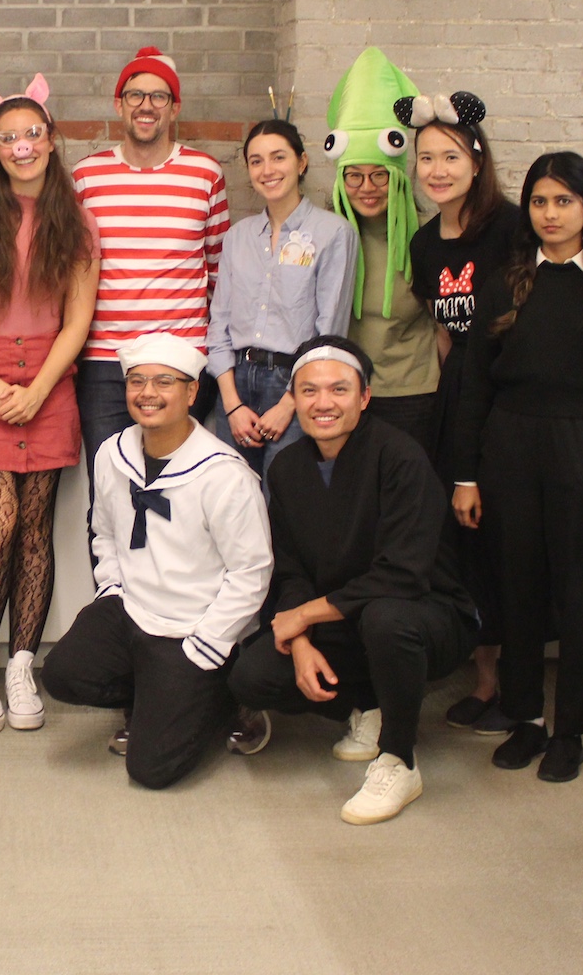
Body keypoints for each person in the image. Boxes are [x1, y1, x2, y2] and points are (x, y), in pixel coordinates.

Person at [452, 153, 583, 783]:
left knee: (578, 596)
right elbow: (475, 387)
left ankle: (570, 731)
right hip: (508, 449)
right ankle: (527, 720)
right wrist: (465, 476)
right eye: (539, 201)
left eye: (564, 201)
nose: (550, 213)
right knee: (517, 591)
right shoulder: (503, 285)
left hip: (582, 453)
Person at [229, 335, 478, 825]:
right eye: (309, 391)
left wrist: (303, 616)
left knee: (386, 619)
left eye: (339, 390)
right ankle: (369, 705)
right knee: (251, 675)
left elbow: (403, 574)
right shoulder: (288, 470)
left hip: (426, 615)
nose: (323, 403)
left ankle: (399, 760)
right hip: (342, 617)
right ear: (293, 398)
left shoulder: (400, 457)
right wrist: (301, 640)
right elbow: (292, 569)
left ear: (364, 397)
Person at [0, 75, 100, 734]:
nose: (22, 146)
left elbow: (78, 319)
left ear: (51, 139)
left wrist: (38, 389)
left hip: (49, 382)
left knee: (35, 531)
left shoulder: (76, 219)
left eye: (32, 133)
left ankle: (21, 667)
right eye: (8, 138)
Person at [40, 333, 271, 788]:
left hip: (191, 627)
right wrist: (112, 590)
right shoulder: (112, 453)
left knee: (151, 769)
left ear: (191, 392)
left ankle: (220, 695)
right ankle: (155, 696)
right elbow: (104, 532)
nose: (148, 393)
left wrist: (206, 644)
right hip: (133, 611)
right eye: (137, 381)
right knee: (62, 674)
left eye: (165, 382)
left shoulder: (225, 475)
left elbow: (251, 573)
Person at [399, 91, 521, 733]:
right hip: (458, 405)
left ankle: (520, 690)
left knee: (510, 544)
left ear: (477, 161)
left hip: (513, 402)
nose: (437, 170)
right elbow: (445, 335)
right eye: (426, 158)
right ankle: (485, 680)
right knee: (467, 544)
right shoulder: (425, 244)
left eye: (450, 157)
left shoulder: (511, 228)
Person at [72, 46, 229, 475]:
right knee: (108, 485)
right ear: (119, 105)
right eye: (135, 95)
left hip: (182, 357)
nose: (146, 105)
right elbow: (74, 273)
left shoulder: (205, 174)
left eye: (159, 96)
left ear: (174, 108)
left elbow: (219, 272)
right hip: (106, 362)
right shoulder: (86, 177)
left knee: (177, 487)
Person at [207, 119, 356, 479]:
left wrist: (290, 402)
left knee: (286, 494)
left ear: (301, 162)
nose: (267, 170)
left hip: (298, 381)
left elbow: (330, 332)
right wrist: (232, 405)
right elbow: (219, 324)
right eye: (256, 161)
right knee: (232, 495)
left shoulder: (333, 232)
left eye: (278, 157)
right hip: (236, 381)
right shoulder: (238, 237)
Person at [324, 47, 439, 454]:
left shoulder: (426, 238)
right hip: (346, 393)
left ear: (399, 176)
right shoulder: (328, 238)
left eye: (379, 176)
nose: (367, 188)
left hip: (413, 395)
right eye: (354, 176)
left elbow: (443, 326)